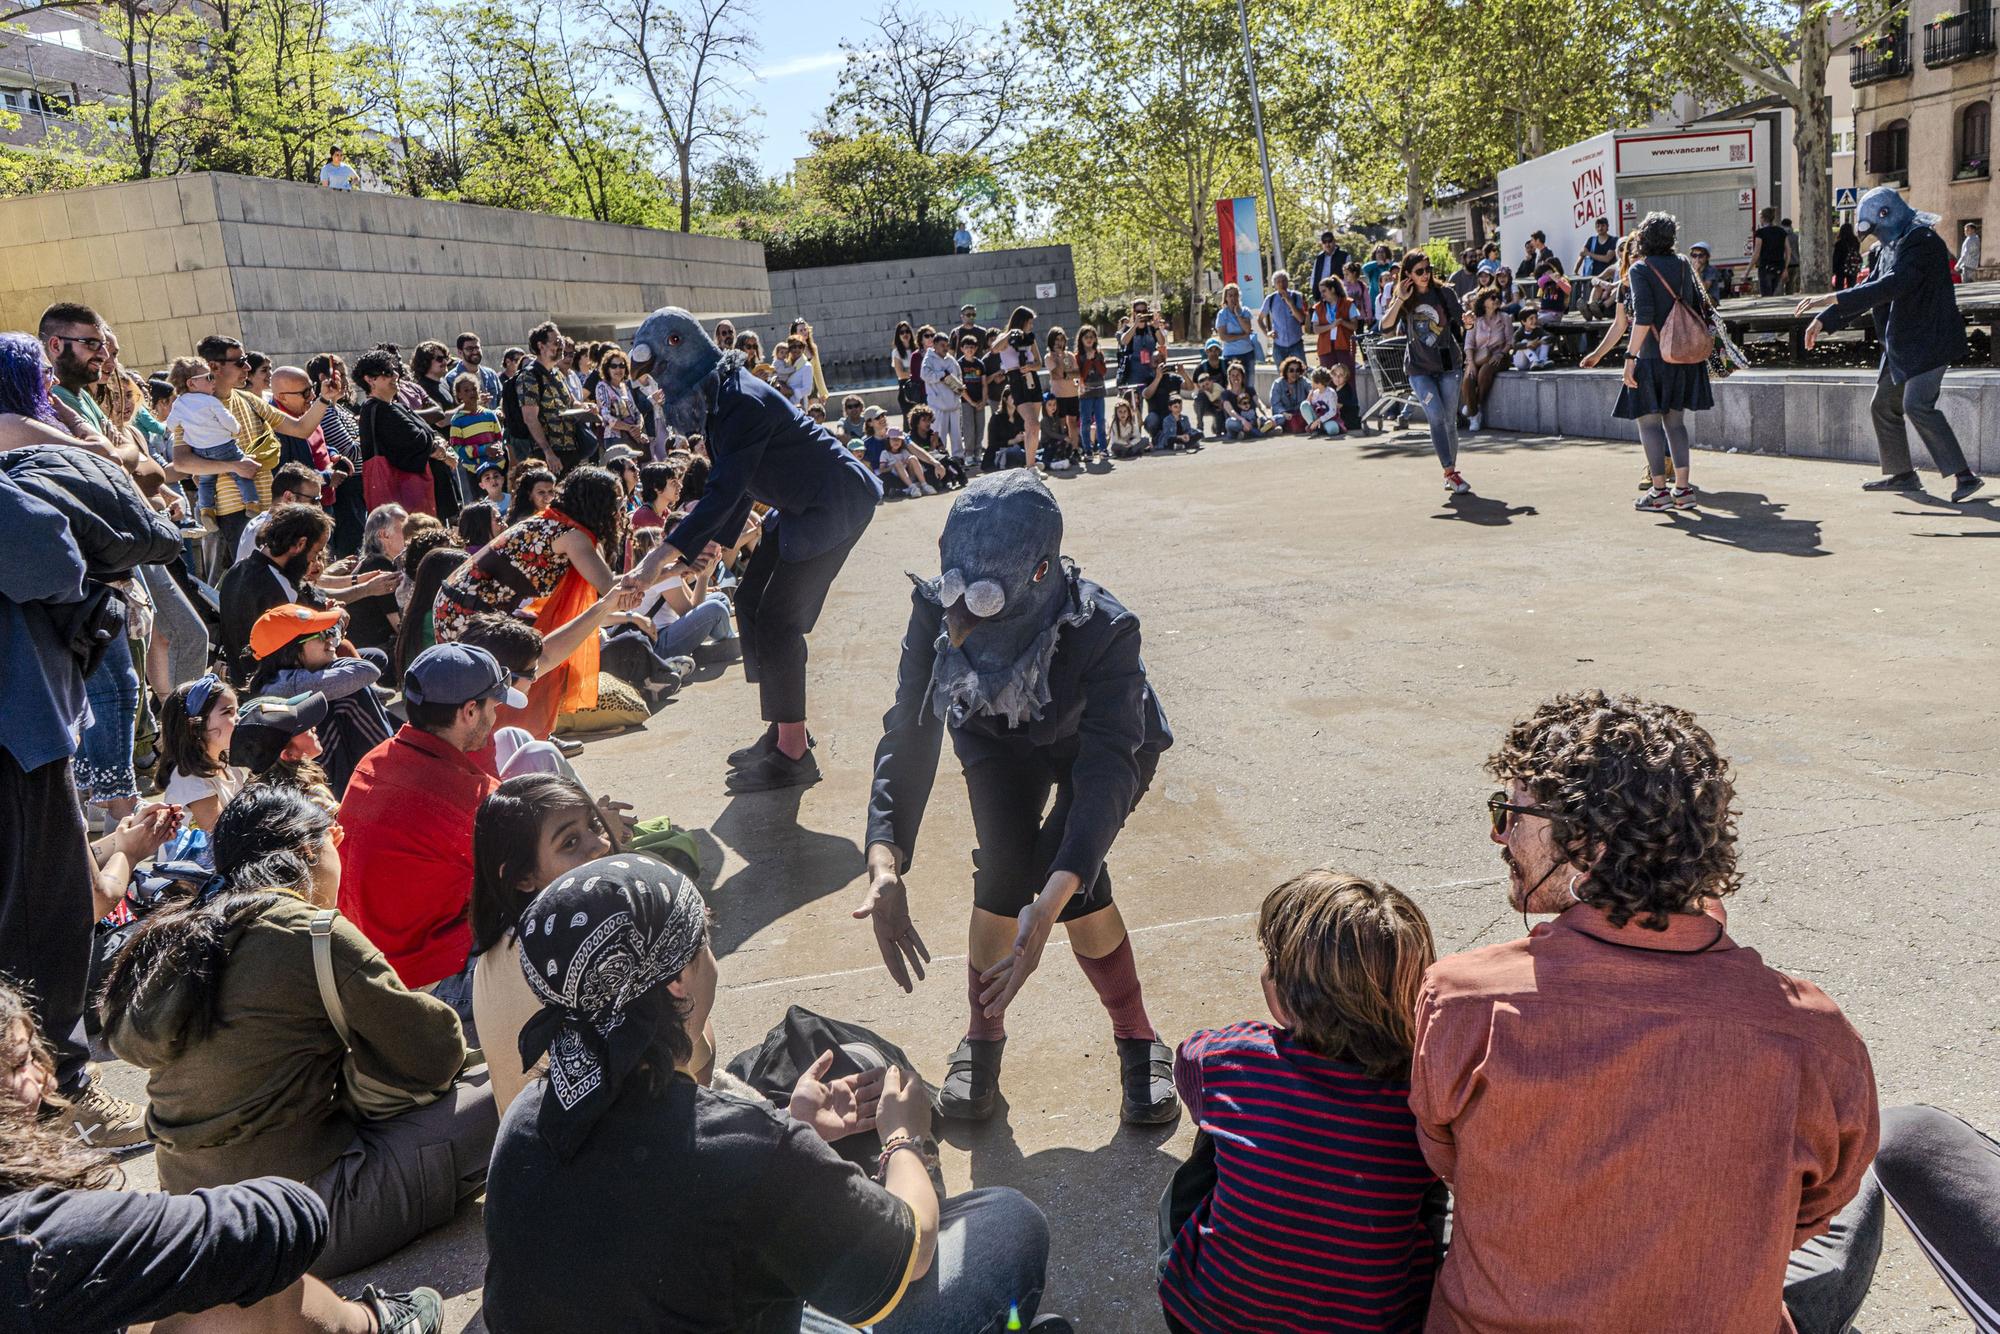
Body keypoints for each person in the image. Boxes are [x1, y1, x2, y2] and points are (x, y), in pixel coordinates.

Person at [1412, 691, 1880, 1334]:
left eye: (1511, 813)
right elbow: (1815, 1206)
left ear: (1588, 847)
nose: (1499, 832)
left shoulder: (1465, 1002)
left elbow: (1449, 1161)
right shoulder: (1813, 1037)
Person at [484, 855, 1057, 1333]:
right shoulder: (746, 1146)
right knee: (1007, 1221)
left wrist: (794, 1130)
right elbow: (917, 1248)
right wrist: (904, 1136)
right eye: (702, 936)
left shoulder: (529, 1115)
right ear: (678, 980)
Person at [858, 472, 1178, 1126]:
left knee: (1072, 872)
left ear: (1040, 574)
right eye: (956, 594)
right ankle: (982, 1034)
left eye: (982, 604)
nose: (959, 622)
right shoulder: (935, 610)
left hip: (1101, 743)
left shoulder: (1103, 628)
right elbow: (910, 729)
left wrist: (1052, 903)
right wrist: (884, 862)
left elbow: (1108, 765)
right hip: (992, 732)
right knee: (1004, 870)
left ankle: (1137, 1034)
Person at [102, 784, 496, 1280]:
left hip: (197, 1223)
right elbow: (434, 1054)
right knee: (519, 1079)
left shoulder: (186, 932)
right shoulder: (312, 933)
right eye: (335, 839)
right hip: (299, 1221)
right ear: (310, 850)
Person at [0, 976, 447, 1333]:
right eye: (21, 1064)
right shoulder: (28, 1236)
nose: (48, 1080)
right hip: (312, 1209)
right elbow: (277, 1220)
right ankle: (370, 1326)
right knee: (239, 1285)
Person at [1159, 871, 1442, 1333]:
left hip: (1204, 1318)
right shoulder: (1426, 1090)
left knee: (1214, 1141)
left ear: (1287, 997)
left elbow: (1189, 1059)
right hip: (1376, 1326)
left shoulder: (1232, 1056)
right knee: (1430, 1175)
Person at [0, 442, 177, 1149]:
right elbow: (49, 558)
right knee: (43, 919)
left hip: (21, 727)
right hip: (16, 733)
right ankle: (59, 1100)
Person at [630, 307, 883, 793]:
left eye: (659, 369)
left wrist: (655, 559)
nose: (659, 386)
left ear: (681, 352)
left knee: (779, 620)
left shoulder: (739, 400)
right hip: (799, 504)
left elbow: (725, 492)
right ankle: (784, 727)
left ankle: (794, 753)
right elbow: (740, 486)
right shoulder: (724, 398)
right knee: (749, 602)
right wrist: (708, 549)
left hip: (833, 505)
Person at [337, 643, 525, 1012]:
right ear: (470, 711)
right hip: (431, 988)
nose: (497, 716)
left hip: (378, 970)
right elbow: (538, 865)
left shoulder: (378, 758)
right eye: (493, 706)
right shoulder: (458, 795)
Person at [1798, 186, 1984, 501]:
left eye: (1876, 229)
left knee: (1917, 405)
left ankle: (1965, 477)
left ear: (1887, 215)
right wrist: (1825, 319)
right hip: (1901, 344)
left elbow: (1894, 284)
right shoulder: (1886, 247)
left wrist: (1832, 296)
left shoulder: (1923, 243)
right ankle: (1903, 475)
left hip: (1930, 339)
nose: (1875, 237)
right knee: (1883, 406)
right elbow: (1870, 287)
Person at [432, 465, 632, 736]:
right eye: (617, 502)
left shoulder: (554, 521)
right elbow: (610, 589)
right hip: (464, 611)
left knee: (533, 662)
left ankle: (531, 735)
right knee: (533, 664)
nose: (621, 509)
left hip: (459, 605)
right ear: (599, 503)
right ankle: (520, 739)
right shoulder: (571, 536)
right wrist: (663, 569)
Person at [468, 773, 622, 1118]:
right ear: (523, 878)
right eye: (570, 842)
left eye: (593, 825)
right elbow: (692, 1057)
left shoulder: (502, 946)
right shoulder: (583, 946)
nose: (599, 845)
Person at [1616, 211, 1714, 512]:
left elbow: (1643, 316)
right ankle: (1683, 491)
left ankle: (1659, 493)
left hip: (1651, 357)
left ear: (1644, 238)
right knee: (1675, 423)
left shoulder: (1640, 269)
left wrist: (1630, 357)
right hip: (1683, 355)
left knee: (1648, 424)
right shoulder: (1684, 264)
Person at [246, 602, 396, 795]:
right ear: (292, 652)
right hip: (318, 781)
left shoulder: (284, 676)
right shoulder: (291, 685)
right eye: (323, 634)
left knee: (355, 679)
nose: (331, 639)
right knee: (352, 695)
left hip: (316, 766)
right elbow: (367, 671)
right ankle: (392, 769)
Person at [1382, 248, 1472, 495]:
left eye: (1428, 269)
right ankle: (1450, 471)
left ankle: (1450, 472)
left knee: (1449, 420)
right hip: (1419, 369)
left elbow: (1461, 319)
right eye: (1419, 271)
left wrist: (1468, 321)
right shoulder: (1405, 296)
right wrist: (1399, 298)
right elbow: (1385, 326)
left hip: (1448, 365)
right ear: (1408, 274)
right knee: (1435, 415)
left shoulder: (1444, 293)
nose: (1425, 275)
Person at [165, 354, 259, 513]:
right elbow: (227, 420)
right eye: (208, 377)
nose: (213, 380)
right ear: (192, 383)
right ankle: (251, 502)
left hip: (201, 451)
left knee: (206, 480)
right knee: (242, 472)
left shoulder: (179, 404)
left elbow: (171, 425)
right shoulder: (211, 401)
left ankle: (207, 509)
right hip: (224, 446)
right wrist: (236, 429)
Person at [355, 348, 442, 516]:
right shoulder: (377, 409)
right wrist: (438, 448)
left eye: (395, 370)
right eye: (387, 372)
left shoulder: (393, 407)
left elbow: (428, 433)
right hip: (399, 496)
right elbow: (417, 440)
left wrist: (434, 441)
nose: (396, 375)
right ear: (370, 379)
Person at [520, 321, 597, 475]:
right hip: (550, 454)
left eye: (561, 341)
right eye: (556, 342)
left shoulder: (557, 373)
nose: (561, 346)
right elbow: (530, 418)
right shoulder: (530, 375)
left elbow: (570, 402)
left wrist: (584, 407)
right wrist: (548, 452)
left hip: (570, 447)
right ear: (541, 346)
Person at [1461, 288, 1510, 433]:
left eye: (1498, 298)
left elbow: (1510, 342)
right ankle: (1475, 414)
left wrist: (1500, 354)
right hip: (1478, 357)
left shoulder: (1505, 318)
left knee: (1485, 371)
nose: (1496, 300)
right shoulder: (1476, 320)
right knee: (1469, 377)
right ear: (1484, 303)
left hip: (1500, 357)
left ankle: (1473, 408)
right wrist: (1470, 363)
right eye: (1492, 298)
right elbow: (1469, 344)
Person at [1256, 270, 1307, 368]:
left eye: (1284, 280)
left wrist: (1290, 303)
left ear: (1288, 282)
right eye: (1278, 282)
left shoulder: (1296, 296)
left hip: (1296, 343)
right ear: (1274, 284)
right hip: (1279, 346)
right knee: (1283, 376)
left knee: (1301, 373)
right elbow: (1260, 319)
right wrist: (1267, 333)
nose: (1281, 284)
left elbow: (1301, 319)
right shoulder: (1270, 299)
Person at [1212, 282, 1258, 378]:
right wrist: (1241, 336)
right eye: (1230, 295)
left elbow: (1247, 330)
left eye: (1236, 295)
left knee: (1249, 385)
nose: (1233, 298)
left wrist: (1238, 315)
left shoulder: (1245, 311)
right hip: (1231, 354)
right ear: (1226, 298)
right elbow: (1223, 337)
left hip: (1247, 353)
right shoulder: (1222, 314)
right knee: (1234, 384)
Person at [984, 386, 1028, 470]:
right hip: (999, 453)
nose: (1016, 399)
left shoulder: (1019, 416)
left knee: (1033, 450)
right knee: (1015, 451)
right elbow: (992, 444)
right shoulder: (996, 418)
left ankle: (1040, 463)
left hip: (1017, 450)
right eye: (1012, 396)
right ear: (1005, 399)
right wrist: (1013, 441)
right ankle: (1040, 463)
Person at [1753, 206, 1790, 296]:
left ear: (1763, 218)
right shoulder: (1781, 231)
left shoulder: (1760, 233)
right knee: (1774, 293)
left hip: (1765, 267)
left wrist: (1747, 271)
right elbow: (1788, 250)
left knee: (1766, 295)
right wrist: (1785, 268)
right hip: (1779, 268)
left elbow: (1756, 253)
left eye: (1760, 218)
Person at [1307, 229, 1351, 297]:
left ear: (1334, 241)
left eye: (1329, 241)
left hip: (1338, 296)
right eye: (1324, 242)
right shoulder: (1319, 258)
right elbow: (1313, 277)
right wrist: (1315, 292)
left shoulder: (1344, 256)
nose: (1327, 244)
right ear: (1322, 244)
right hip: (1321, 296)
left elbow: (1349, 277)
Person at [1576, 215, 1617, 280]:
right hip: (1592, 277)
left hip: (1609, 277)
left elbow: (1607, 259)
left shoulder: (1613, 240)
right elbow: (1582, 254)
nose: (1600, 228)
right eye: (1598, 226)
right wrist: (1575, 272)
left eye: (1603, 226)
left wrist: (1589, 254)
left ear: (1607, 227)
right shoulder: (1591, 240)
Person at [1831, 224, 1862, 290]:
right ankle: (1850, 299)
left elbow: (1836, 257)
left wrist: (1833, 269)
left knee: (1839, 286)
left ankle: (1840, 299)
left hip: (1841, 268)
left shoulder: (1839, 243)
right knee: (1851, 286)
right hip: (1852, 267)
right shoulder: (1856, 242)